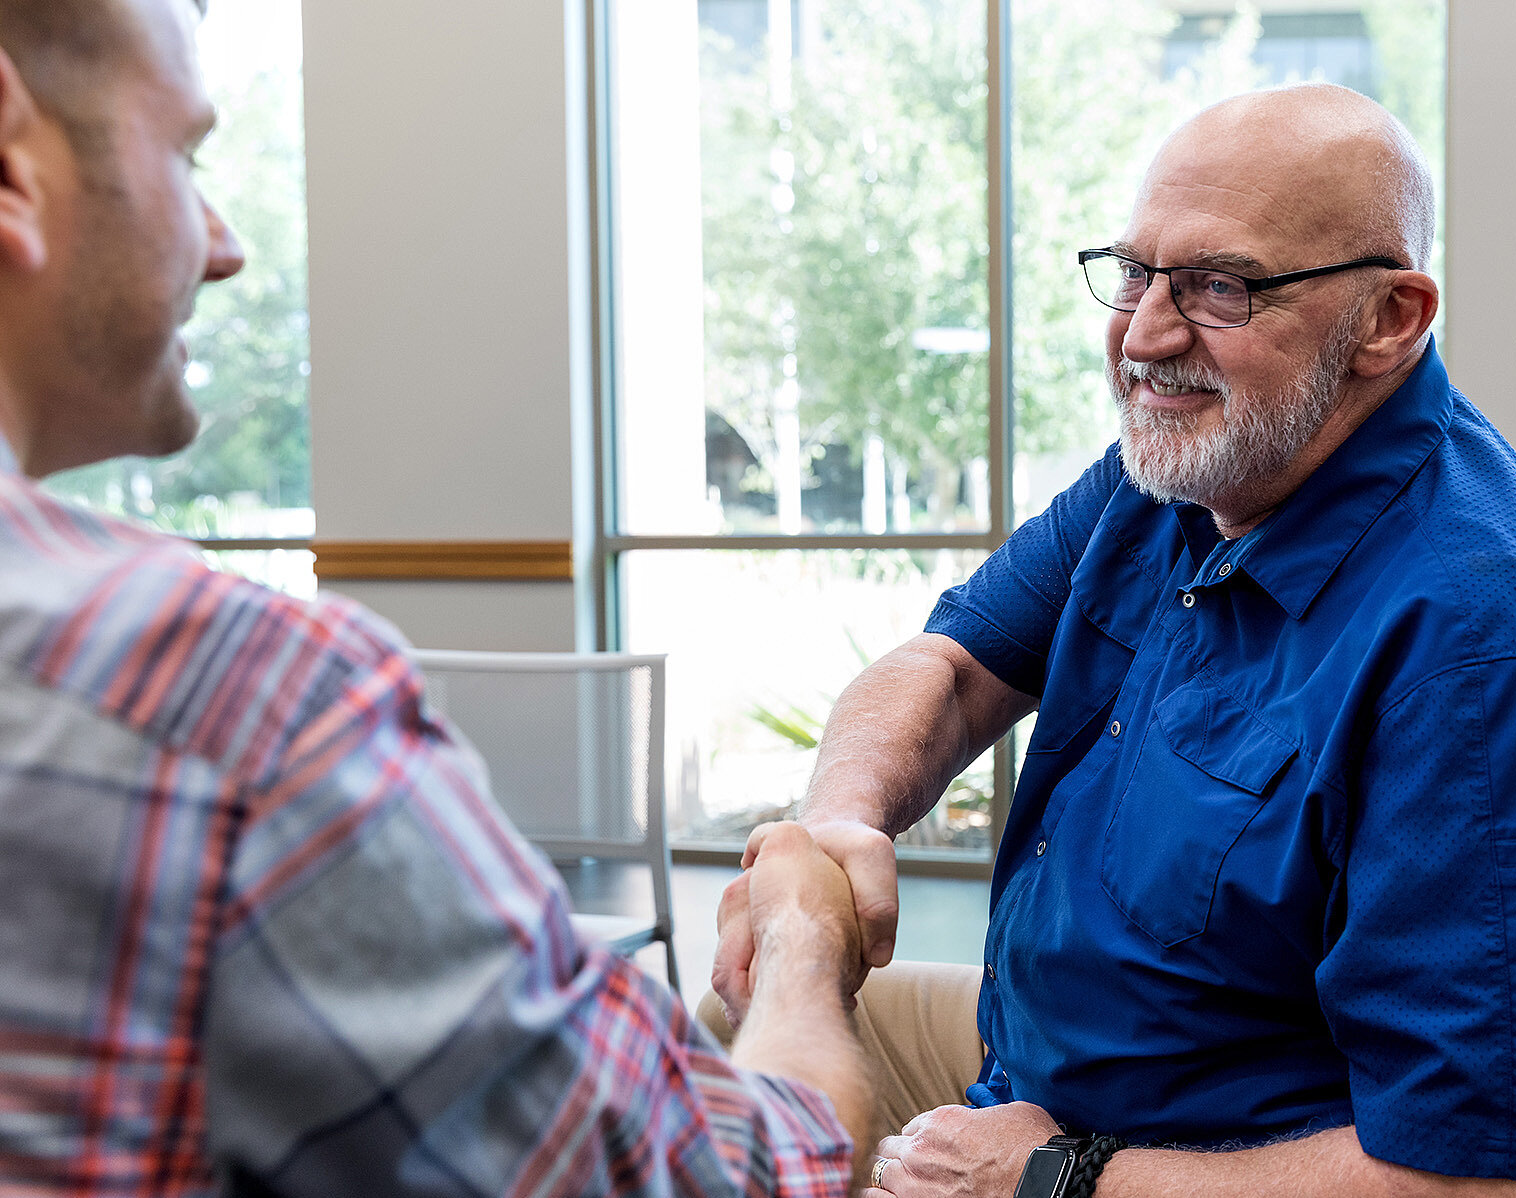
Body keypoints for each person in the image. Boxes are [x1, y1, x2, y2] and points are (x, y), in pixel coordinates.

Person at [710, 84, 1516, 1197]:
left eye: (1219, 286)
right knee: (709, 1028)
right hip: (1031, 1070)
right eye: (1134, 272)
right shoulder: (1185, 475)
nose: (1142, 335)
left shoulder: (1492, 658)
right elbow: (947, 673)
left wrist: (1056, 1176)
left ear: (1390, 319)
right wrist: (842, 820)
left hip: (1159, 1161)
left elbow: (1483, 1186)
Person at [0, 0, 871, 1192]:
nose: (222, 242)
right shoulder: (218, 704)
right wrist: (804, 945)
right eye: (187, 155)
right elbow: (736, 1176)